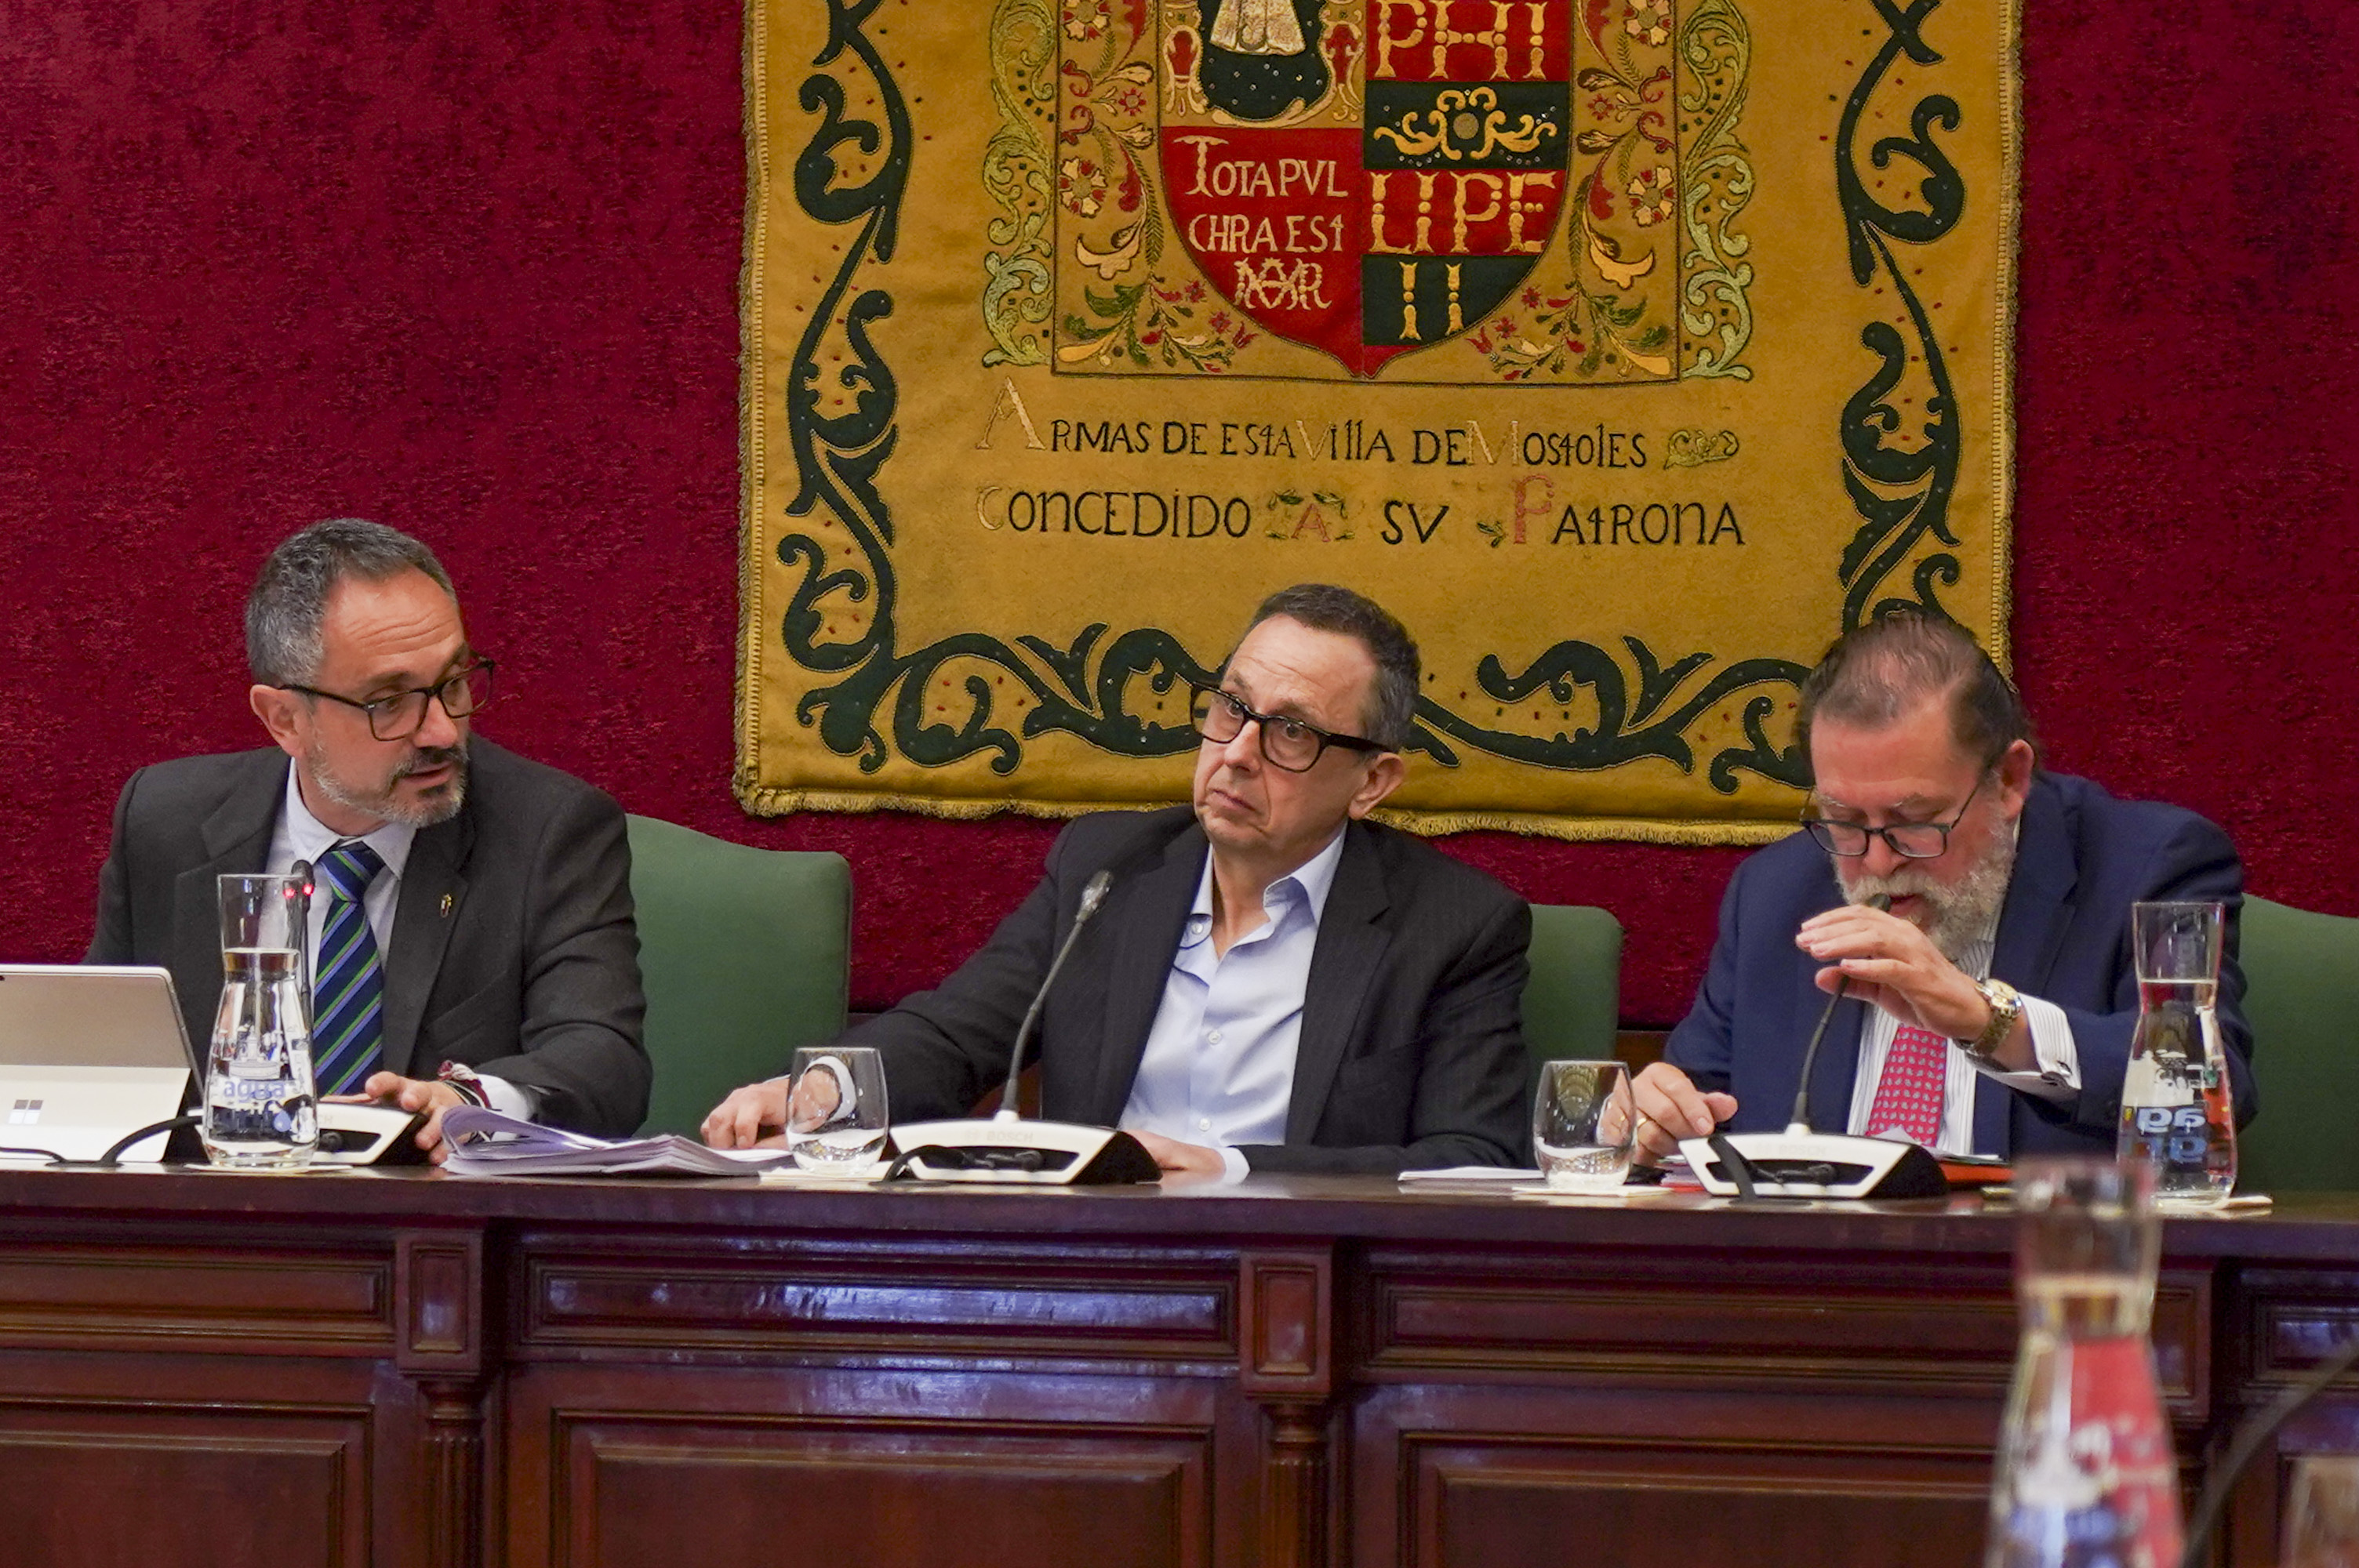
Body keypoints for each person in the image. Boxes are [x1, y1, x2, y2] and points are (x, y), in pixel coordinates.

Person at [703, 583, 1531, 1178]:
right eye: (1231, 707)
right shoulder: (1108, 868)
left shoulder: (1454, 926)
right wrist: (827, 1088)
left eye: (1291, 733)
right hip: (1098, 1270)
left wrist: (1230, 1167)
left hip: (1301, 1281)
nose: (1237, 753)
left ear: (1372, 781)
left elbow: (1469, 1157)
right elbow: (956, 1035)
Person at [87, 518, 649, 1157]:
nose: (442, 731)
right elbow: (100, 1053)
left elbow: (604, 1060)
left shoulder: (548, 830)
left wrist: (473, 1100)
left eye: (453, 684)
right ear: (285, 719)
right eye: (389, 702)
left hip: (428, 1208)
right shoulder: (166, 822)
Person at [1635, 609, 2255, 1162]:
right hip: (1814, 1255)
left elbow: (2201, 1090)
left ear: (2009, 781)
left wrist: (1988, 1021)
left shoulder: (2148, 869)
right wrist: (1657, 1118)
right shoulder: (1775, 892)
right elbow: (1696, 1102)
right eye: (1845, 820)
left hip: (2030, 1249)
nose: (1878, 862)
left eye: (1913, 821)